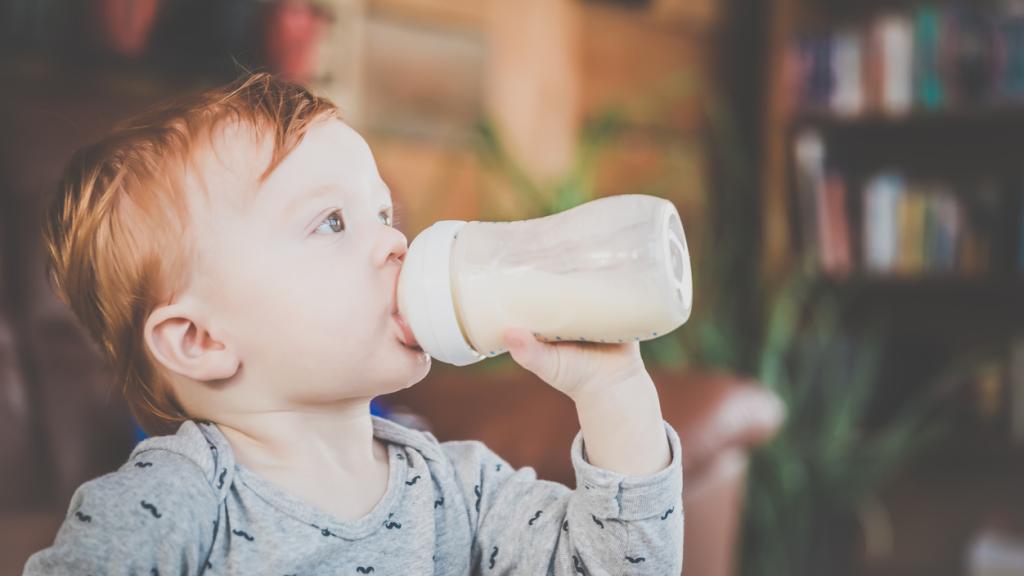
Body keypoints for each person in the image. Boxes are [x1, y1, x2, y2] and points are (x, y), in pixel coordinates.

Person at [23, 72, 683, 575]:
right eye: (331, 222)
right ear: (202, 340)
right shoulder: (169, 504)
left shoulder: (462, 488)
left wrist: (614, 393)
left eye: (384, 214)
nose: (396, 244)